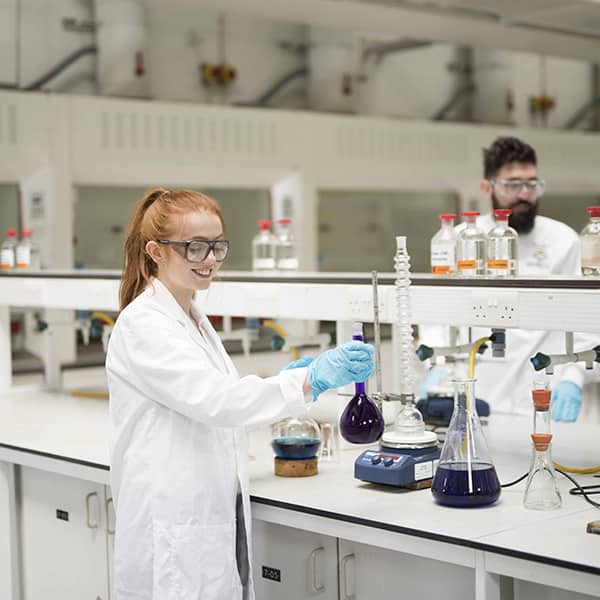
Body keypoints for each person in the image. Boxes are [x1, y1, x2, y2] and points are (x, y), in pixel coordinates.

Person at [105, 188, 375, 600]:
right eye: (194, 247)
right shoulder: (144, 324)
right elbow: (218, 401)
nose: (210, 259)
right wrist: (309, 380)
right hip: (171, 529)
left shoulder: (191, 316)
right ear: (155, 252)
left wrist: (288, 380)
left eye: (217, 245)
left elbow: (216, 394)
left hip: (206, 516)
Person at [421, 136, 590, 421]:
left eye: (532, 184)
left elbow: (584, 316)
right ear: (487, 187)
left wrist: (573, 378)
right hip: (473, 389)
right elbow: (436, 311)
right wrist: (437, 365)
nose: (524, 193)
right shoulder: (461, 239)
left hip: (543, 389)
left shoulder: (564, 240)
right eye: (513, 184)